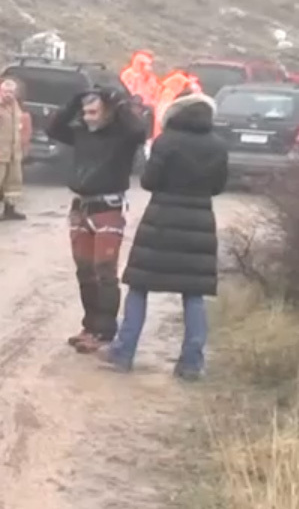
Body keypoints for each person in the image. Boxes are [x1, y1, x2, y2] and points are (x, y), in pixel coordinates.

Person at [107, 92, 228, 379]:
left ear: (175, 113)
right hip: (199, 222)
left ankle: (123, 353)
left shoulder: (166, 141)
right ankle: (192, 363)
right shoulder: (218, 144)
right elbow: (219, 186)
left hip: (161, 220)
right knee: (194, 293)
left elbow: (149, 181)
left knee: (139, 286)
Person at [45, 87, 147, 354]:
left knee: (104, 272)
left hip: (108, 207)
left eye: (94, 112)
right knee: (85, 272)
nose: (88, 118)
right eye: (85, 113)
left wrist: (118, 104)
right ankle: (90, 326)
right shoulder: (80, 133)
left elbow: (139, 131)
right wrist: (74, 100)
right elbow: (53, 128)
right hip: (81, 206)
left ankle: (105, 331)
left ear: (108, 113)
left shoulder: (122, 136)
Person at [0, 78, 27, 221]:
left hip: (14, 152)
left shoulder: (16, 106)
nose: (9, 94)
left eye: (11, 92)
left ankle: (10, 209)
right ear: (0, 92)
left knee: (14, 182)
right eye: (6, 91)